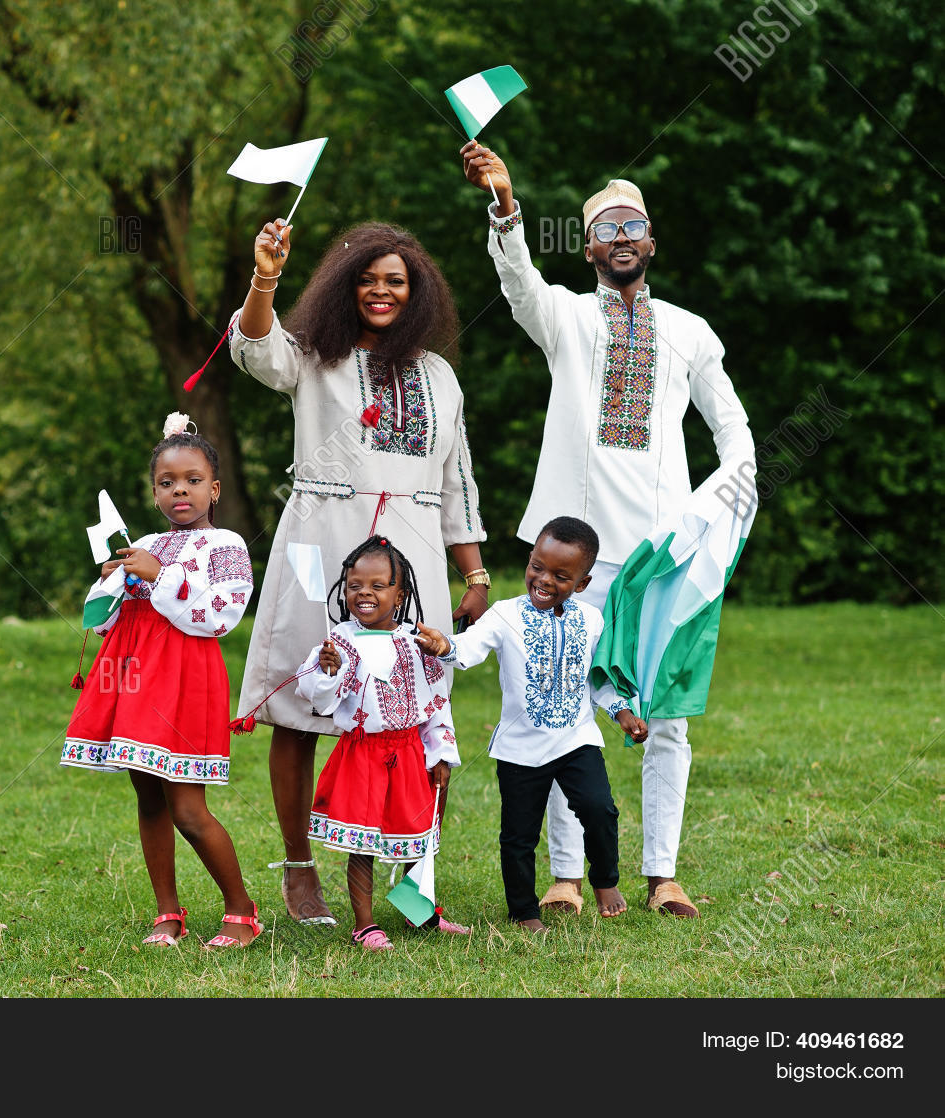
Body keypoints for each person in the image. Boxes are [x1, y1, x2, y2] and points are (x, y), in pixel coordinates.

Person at [460, 140, 756, 917]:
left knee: (665, 721)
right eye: (607, 227)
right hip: (573, 561)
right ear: (590, 247)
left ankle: (663, 877)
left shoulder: (691, 331)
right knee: (558, 713)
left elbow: (735, 430)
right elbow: (519, 282)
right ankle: (564, 876)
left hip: (661, 560)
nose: (622, 237)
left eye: (635, 225)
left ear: (651, 242)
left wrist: (718, 506)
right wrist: (504, 206)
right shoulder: (568, 318)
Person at [230, 218, 491, 927]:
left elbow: (458, 479)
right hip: (322, 543)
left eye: (396, 282)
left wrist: (475, 575)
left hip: (415, 554)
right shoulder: (315, 355)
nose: (381, 292)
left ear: (418, 294)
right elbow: (254, 349)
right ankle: (299, 869)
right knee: (303, 706)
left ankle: (415, 886)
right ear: (346, 289)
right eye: (368, 280)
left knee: (420, 715)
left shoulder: (439, 376)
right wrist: (265, 275)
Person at [61, 412, 262, 949]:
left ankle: (241, 908)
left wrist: (159, 574)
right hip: (132, 674)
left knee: (188, 808)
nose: (180, 491)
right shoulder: (146, 542)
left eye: (193, 481)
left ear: (214, 488)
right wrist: (110, 583)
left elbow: (219, 615)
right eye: (167, 482)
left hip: (184, 678)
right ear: (153, 491)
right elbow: (102, 621)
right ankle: (167, 913)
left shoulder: (228, 546)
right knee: (147, 796)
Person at [438, 517, 648, 931]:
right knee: (519, 836)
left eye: (560, 575)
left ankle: (605, 880)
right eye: (537, 566)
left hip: (576, 739)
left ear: (582, 584)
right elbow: (466, 650)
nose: (543, 579)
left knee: (600, 809)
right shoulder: (504, 614)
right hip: (519, 747)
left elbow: (597, 679)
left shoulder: (591, 620)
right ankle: (523, 911)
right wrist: (443, 643)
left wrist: (622, 713)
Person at [294, 536, 472, 950]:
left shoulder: (418, 641)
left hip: (411, 751)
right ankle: (365, 924)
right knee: (363, 841)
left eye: (378, 586)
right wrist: (328, 671)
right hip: (364, 755)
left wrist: (441, 751)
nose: (365, 594)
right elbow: (317, 697)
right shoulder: (338, 640)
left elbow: (436, 704)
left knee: (417, 836)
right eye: (355, 586)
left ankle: (420, 912)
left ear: (400, 592)